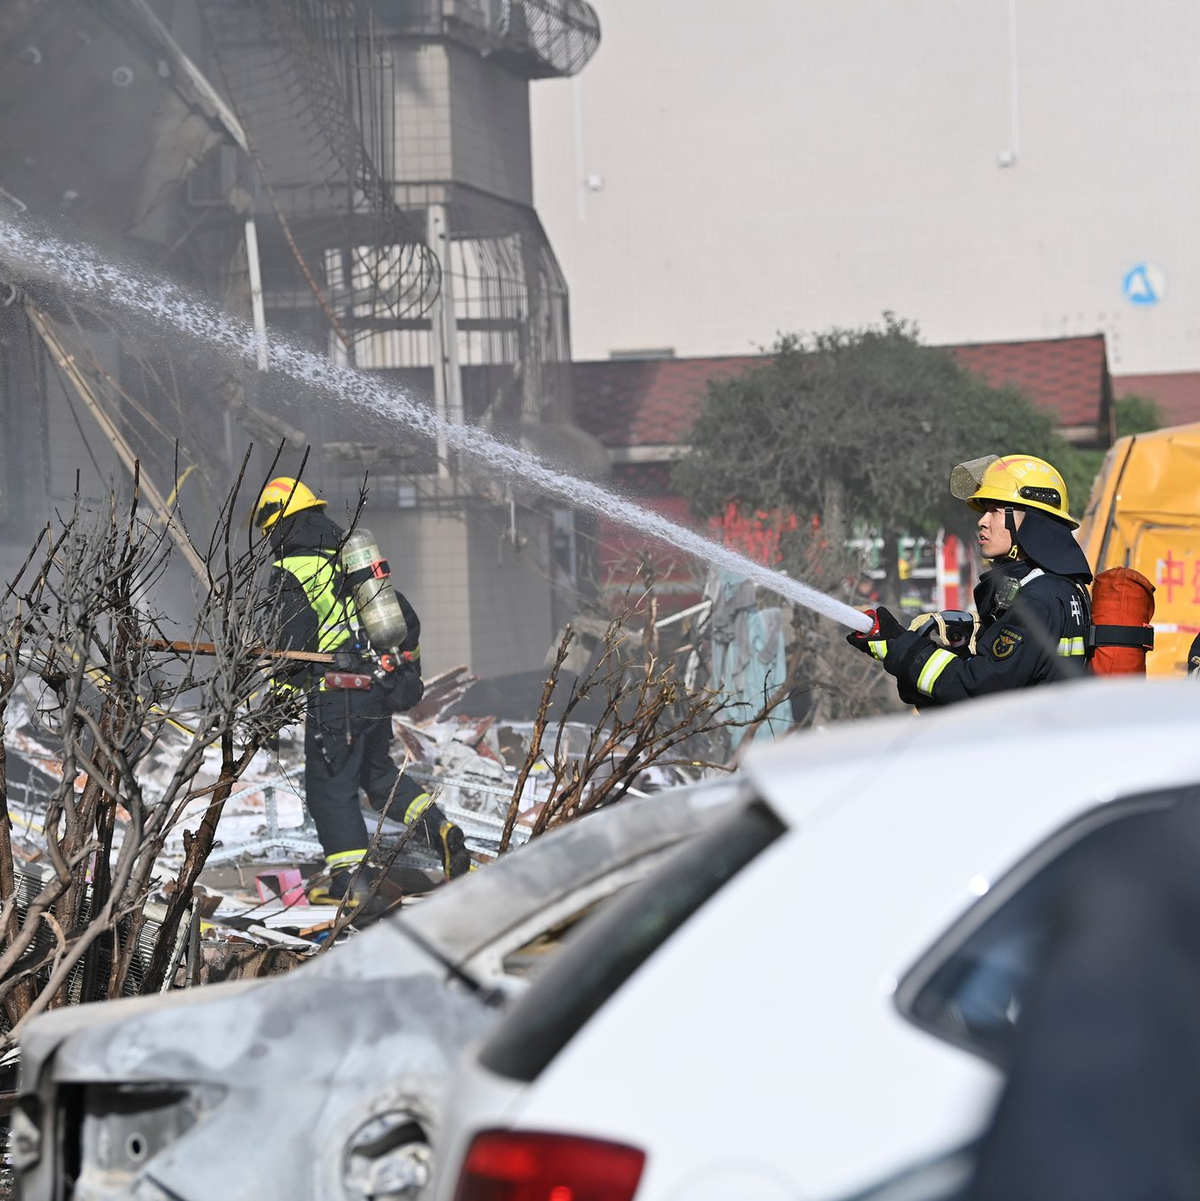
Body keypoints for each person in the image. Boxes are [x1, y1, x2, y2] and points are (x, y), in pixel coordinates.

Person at [253, 476, 471, 913]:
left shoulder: (292, 569)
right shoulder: (351, 558)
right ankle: (440, 830)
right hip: (374, 690)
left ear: (279, 524)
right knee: (379, 778)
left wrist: (274, 702)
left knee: (330, 790)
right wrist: (405, 674)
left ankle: (352, 886)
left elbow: (292, 642)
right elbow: (403, 619)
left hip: (335, 697)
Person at [848, 455, 1092, 706]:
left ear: (1032, 519)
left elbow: (976, 688)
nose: (982, 521)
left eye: (994, 511)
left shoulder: (1038, 599)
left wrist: (900, 648)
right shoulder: (1058, 588)